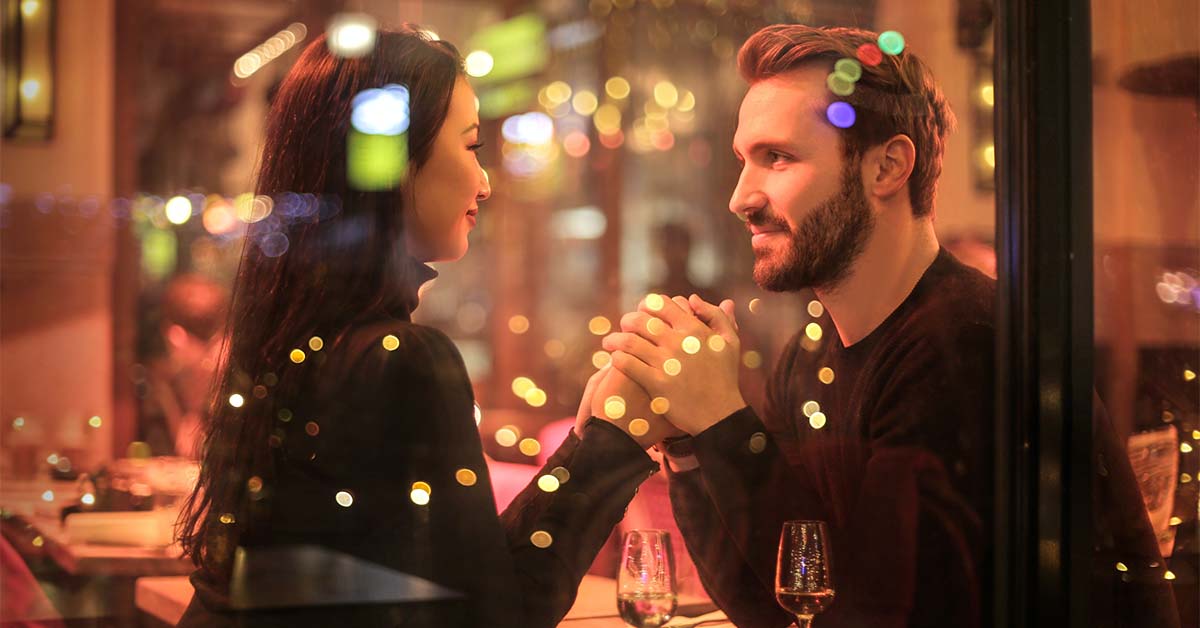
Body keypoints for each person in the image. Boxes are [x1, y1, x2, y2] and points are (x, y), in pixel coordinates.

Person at [601, 24, 1176, 628]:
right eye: (745, 161)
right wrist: (690, 442)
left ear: (887, 167)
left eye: (778, 157)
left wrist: (721, 420)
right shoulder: (812, 353)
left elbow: (873, 616)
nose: (740, 196)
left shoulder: (965, 344)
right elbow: (771, 603)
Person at [176, 27, 660, 628]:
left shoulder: (295, 341)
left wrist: (593, 442)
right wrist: (617, 439)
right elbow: (493, 617)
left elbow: (460, 580)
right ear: (394, 163)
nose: (484, 181)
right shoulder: (397, 358)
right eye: (470, 146)